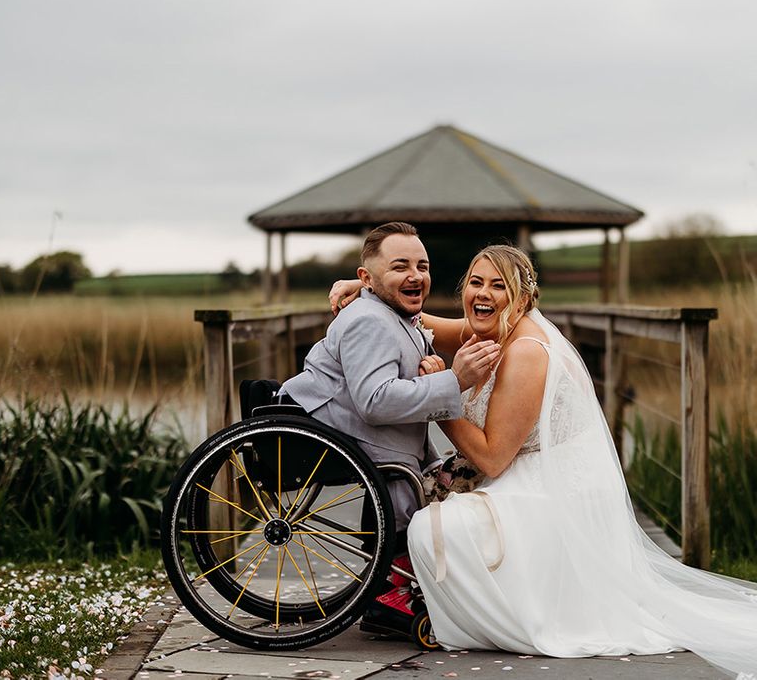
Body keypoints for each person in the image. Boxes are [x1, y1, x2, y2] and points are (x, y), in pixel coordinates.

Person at [332, 244, 757, 678]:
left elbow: (493, 458)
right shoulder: (486, 327)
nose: (484, 293)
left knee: (431, 529)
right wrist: (367, 289)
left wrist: (442, 393)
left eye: (500, 286)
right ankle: (406, 595)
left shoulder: (527, 352)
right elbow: (422, 320)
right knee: (419, 497)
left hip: (550, 491)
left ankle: (457, 609)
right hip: (524, 472)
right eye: (476, 283)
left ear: (523, 299)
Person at [280, 222, 501, 633]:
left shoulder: (393, 312)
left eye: (423, 265)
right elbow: (374, 400)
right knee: (405, 471)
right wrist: (455, 380)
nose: (416, 275)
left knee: (434, 468)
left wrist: (375, 282)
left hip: (363, 428)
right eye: (401, 266)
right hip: (334, 427)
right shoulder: (371, 320)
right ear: (368, 277)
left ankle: (398, 582)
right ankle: (391, 592)